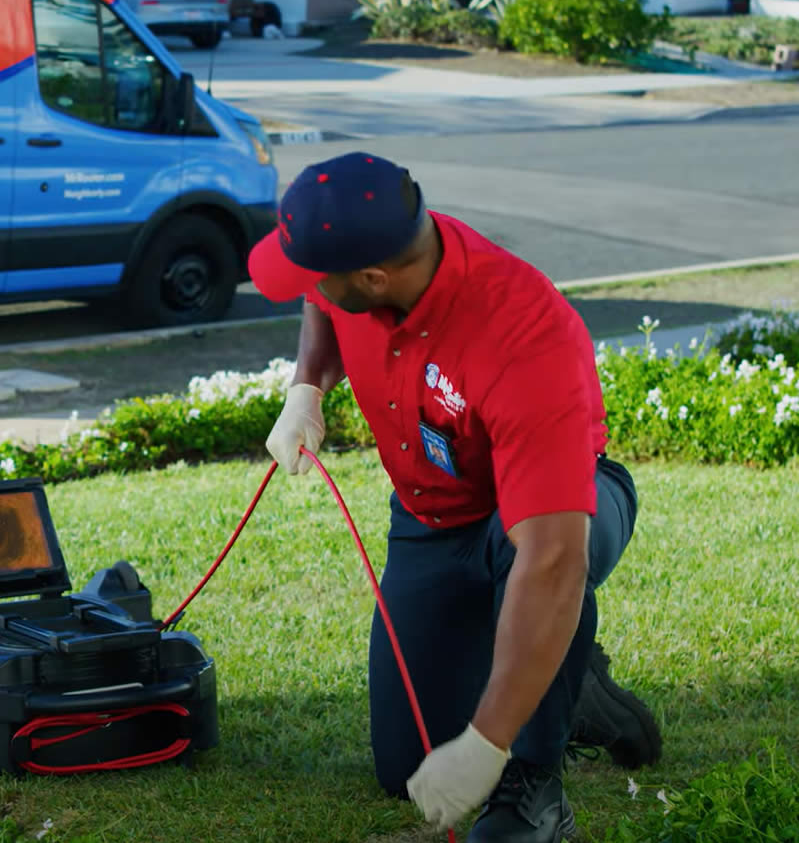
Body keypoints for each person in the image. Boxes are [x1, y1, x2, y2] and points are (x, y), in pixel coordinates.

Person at [249, 152, 663, 842]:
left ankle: (537, 784)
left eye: (316, 272)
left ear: (374, 276)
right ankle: (569, 686)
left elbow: (552, 556)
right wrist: (307, 386)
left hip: (556, 513)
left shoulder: (523, 332)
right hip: (431, 518)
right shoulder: (368, 258)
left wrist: (492, 742)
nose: (308, 286)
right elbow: (321, 295)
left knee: (536, 553)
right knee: (405, 766)